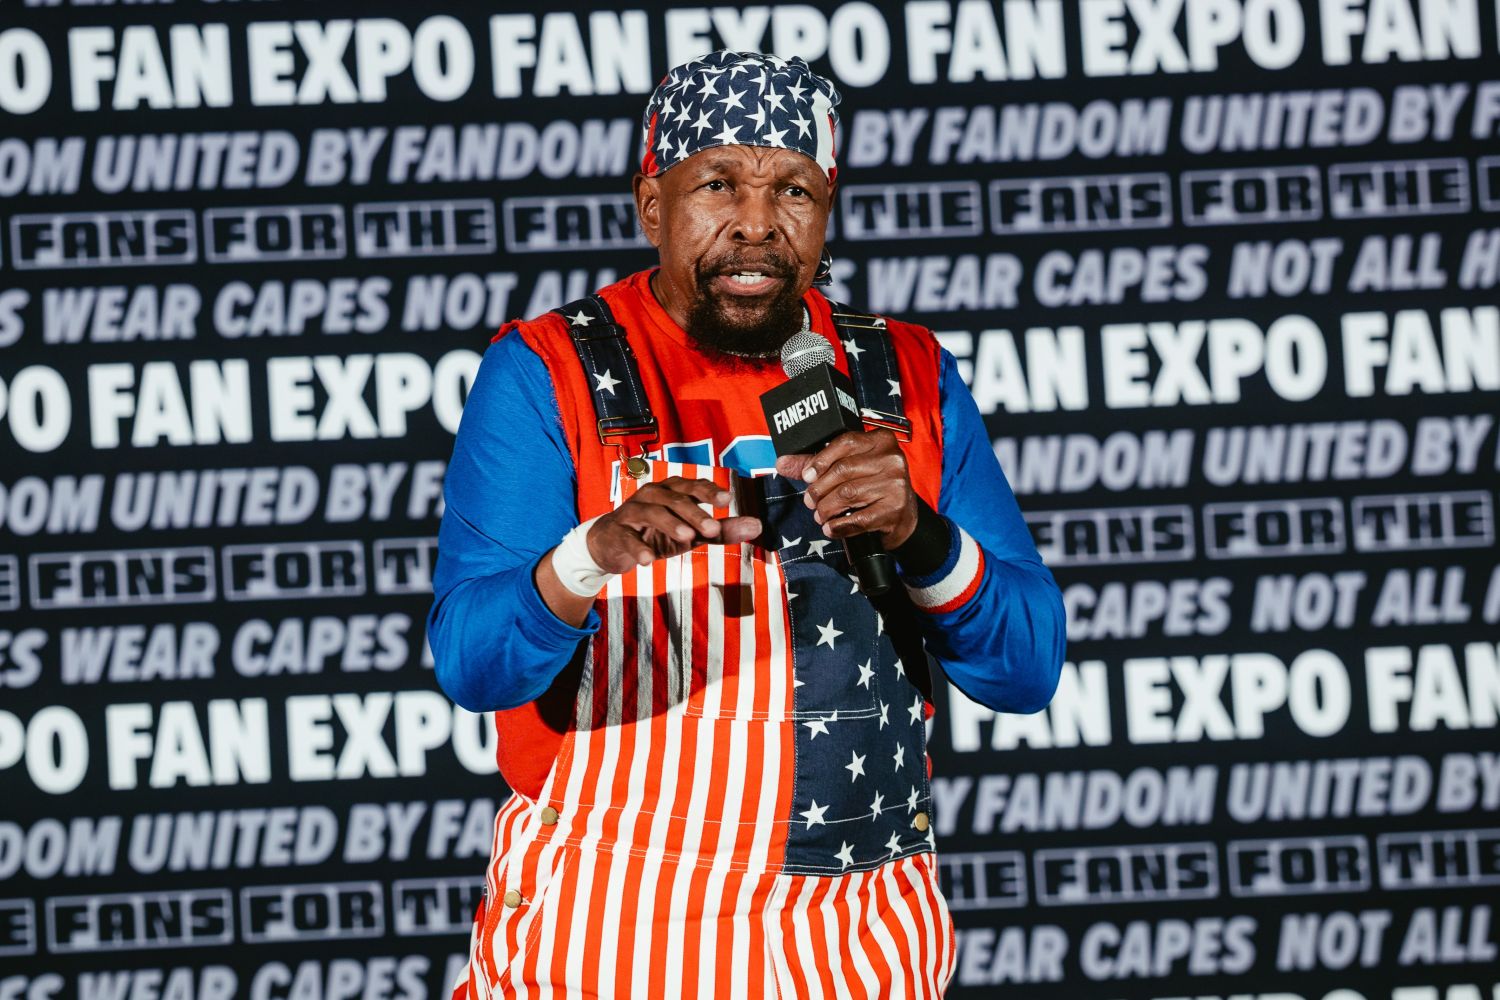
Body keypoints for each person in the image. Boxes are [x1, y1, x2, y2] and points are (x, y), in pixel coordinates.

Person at [428, 49, 1066, 999]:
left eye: (794, 191)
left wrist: (919, 536)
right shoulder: (550, 368)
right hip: (619, 916)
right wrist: (590, 556)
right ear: (652, 204)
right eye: (719, 184)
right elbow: (474, 666)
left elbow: (1027, 670)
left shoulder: (905, 371)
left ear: (828, 206)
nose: (758, 224)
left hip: (862, 931)